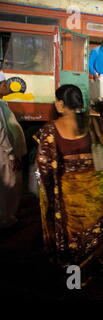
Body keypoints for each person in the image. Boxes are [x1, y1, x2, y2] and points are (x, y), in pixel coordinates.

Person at [34, 85, 103, 276]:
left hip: (69, 201)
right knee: (100, 232)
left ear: (60, 104)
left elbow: (43, 167)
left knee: (72, 240)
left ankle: (75, 277)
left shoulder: (50, 130)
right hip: (97, 196)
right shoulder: (96, 123)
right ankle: (101, 267)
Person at [0, 71, 27, 228]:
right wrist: (11, 155)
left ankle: (8, 216)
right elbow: (1, 133)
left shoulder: (2, 103)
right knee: (8, 186)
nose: (7, 86)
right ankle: (5, 219)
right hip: (4, 154)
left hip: (7, 153)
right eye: (4, 84)